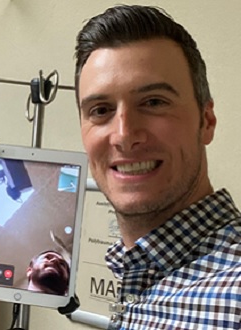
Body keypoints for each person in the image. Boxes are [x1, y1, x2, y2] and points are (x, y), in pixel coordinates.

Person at [74, 5, 241, 330]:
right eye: (101, 109)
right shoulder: (137, 274)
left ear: (206, 121)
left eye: (153, 102)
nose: (124, 136)